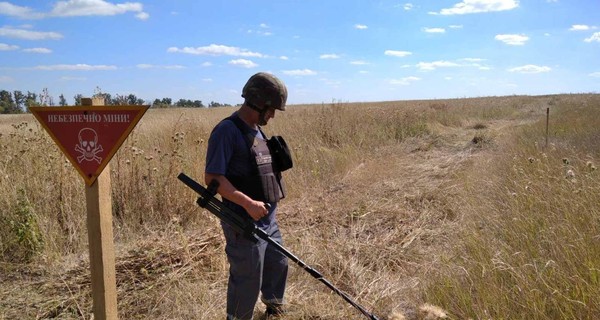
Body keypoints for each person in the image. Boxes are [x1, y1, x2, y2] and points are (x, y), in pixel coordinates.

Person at [205, 72, 290, 320]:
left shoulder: (257, 131)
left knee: (278, 263)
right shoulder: (226, 131)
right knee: (248, 275)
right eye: (271, 109)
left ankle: (274, 309)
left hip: (267, 220)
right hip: (242, 220)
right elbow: (213, 178)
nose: (272, 115)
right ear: (258, 102)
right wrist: (248, 204)